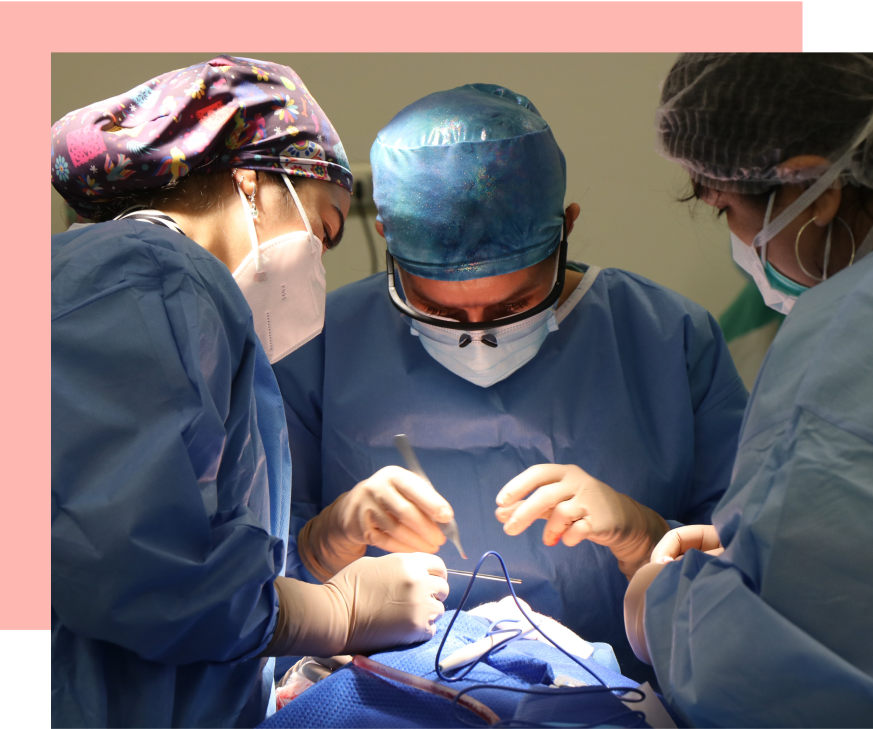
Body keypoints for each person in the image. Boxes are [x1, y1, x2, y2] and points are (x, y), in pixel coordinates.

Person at [272, 83, 748, 683]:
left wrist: (643, 535)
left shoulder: (668, 338)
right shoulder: (319, 344)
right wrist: (321, 541)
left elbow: (754, 580)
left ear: (567, 229)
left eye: (514, 307)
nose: (478, 336)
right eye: (441, 311)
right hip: (387, 704)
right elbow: (236, 597)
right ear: (390, 248)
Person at [52, 55, 448, 729]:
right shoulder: (143, 274)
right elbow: (130, 568)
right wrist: (334, 613)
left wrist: (318, 549)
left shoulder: (172, 295)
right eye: (325, 230)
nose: (320, 263)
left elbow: (183, 529)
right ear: (253, 178)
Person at [622, 52, 873, 728]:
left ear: (815, 189)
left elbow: (780, 680)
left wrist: (661, 607)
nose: (737, 238)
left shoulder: (866, 321)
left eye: (724, 208)